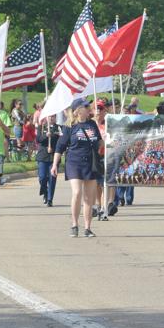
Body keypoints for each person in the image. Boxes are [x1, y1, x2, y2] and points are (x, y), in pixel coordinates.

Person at [51, 98, 103, 238]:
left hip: (90, 163)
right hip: (74, 162)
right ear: (78, 110)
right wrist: (55, 164)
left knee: (89, 197)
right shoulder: (69, 126)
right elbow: (60, 146)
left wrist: (105, 138)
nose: (88, 108)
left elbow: (99, 143)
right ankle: (74, 224)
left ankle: (87, 227)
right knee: (77, 193)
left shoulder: (92, 124)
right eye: (86, 106)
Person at [36, 115, 60, 206]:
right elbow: (38, 139)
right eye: (49, 116)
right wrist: (46, 136)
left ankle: (50, 199)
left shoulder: (58, 128)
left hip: (53, 156)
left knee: (52, 178)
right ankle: (45, 192)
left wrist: (55, 136)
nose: (51, 118)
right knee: (42, 177)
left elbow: (61, 140)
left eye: (53, 116)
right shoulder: (41, 127)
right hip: (42, 156)